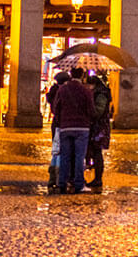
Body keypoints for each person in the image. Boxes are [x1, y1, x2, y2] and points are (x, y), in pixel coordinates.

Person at [48, 66, 97, 195]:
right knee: (79, 157)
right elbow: (91, 110)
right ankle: (79, 184)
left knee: (65, 156)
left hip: (66, 127)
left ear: (70, 74)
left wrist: (61, 120)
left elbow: (55, 107)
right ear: (82, 76)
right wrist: (88, 119)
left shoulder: (62, 90)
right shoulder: (86, 91)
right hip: (82, 127)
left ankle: (62, 183)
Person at [86, 72, 113, 193]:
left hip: (99, 127)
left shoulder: (101, 94)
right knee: (95, 151)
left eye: (89, 85)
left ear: (94, 84)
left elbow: (98, 111)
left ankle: (98, 178)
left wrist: (90, 112)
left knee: (97, 152)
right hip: (97, 126)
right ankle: (96, 177)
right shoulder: (98, 92)